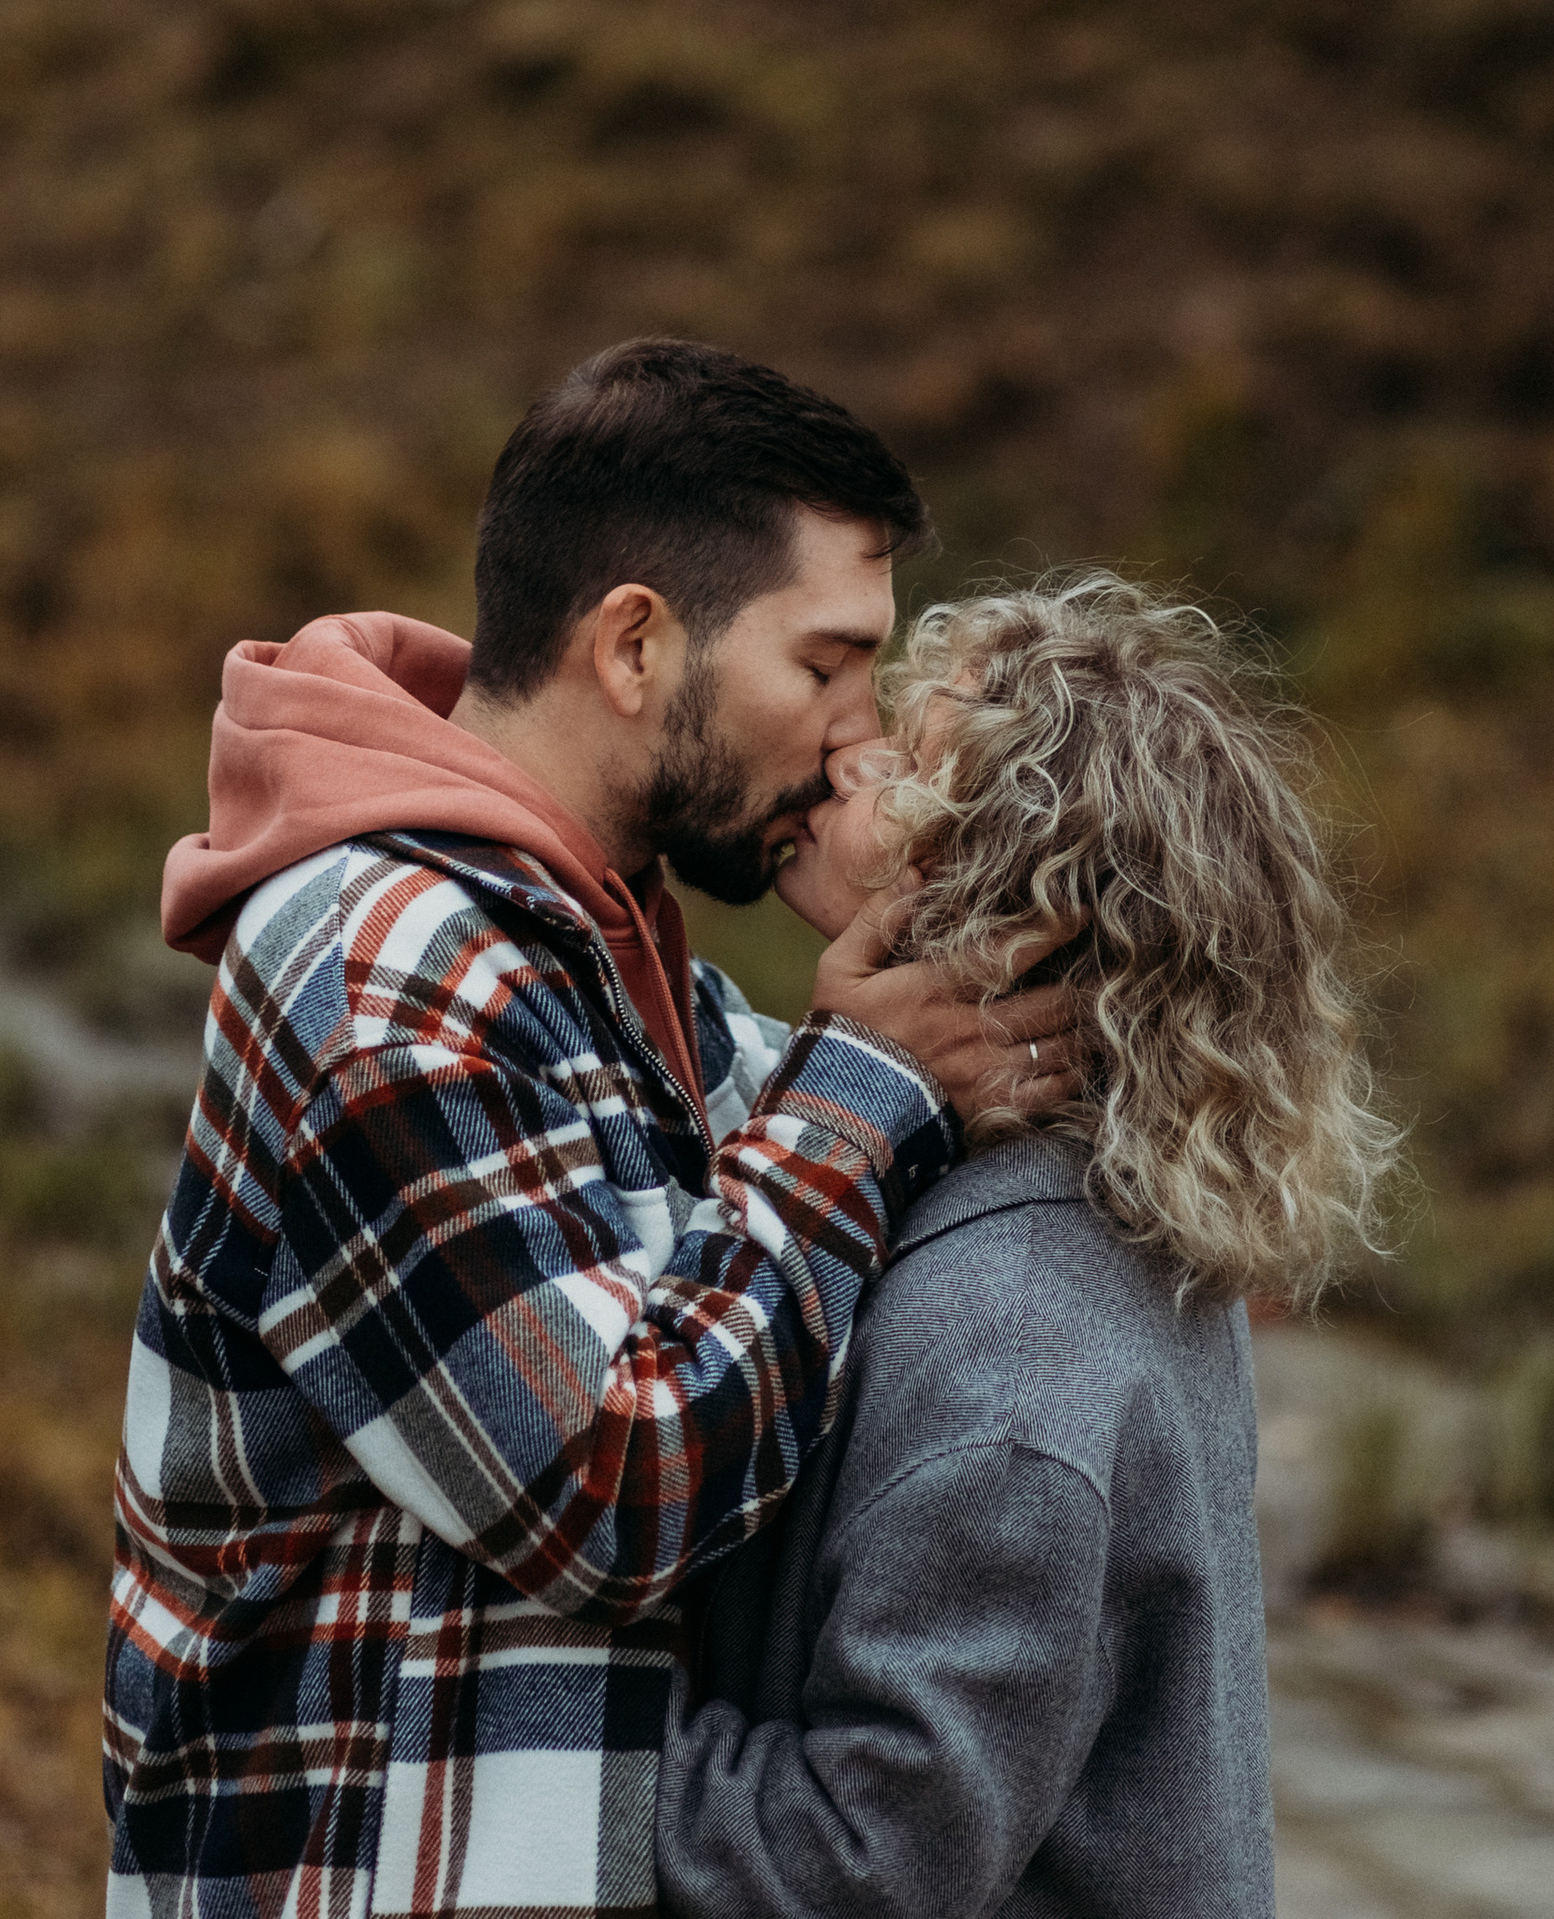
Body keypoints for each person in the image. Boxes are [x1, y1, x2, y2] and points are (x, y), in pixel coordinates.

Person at [103, 341, 1076, 1919]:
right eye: (825, 667)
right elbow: (609, 1489)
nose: (858, 736)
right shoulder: (390, 978)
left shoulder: (597, 957)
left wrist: (938, 984)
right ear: (634, 645)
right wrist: (874, 1082)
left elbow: (813, 1210)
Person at [659, 572, 1401, 1919]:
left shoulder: (1007, 1338)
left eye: (908, 761)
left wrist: (549, 1725)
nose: (848, 752)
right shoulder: (1092, 1215)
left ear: (1006, 904)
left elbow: (862, 1864)